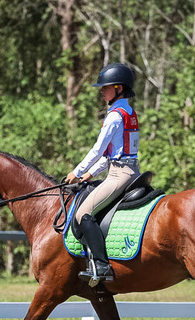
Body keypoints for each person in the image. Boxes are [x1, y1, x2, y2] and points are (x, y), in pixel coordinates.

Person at [66, 62, 140, 286]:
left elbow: (98, 150)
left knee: (83, 213)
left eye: (105, 87)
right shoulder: (128, 112)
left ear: (118, 88)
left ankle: (101, 265)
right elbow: (114, 154)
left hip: (120, 175)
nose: (101, 90)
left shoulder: (114, 116)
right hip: (130, 169)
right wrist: (90, 174)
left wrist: (77, 172)